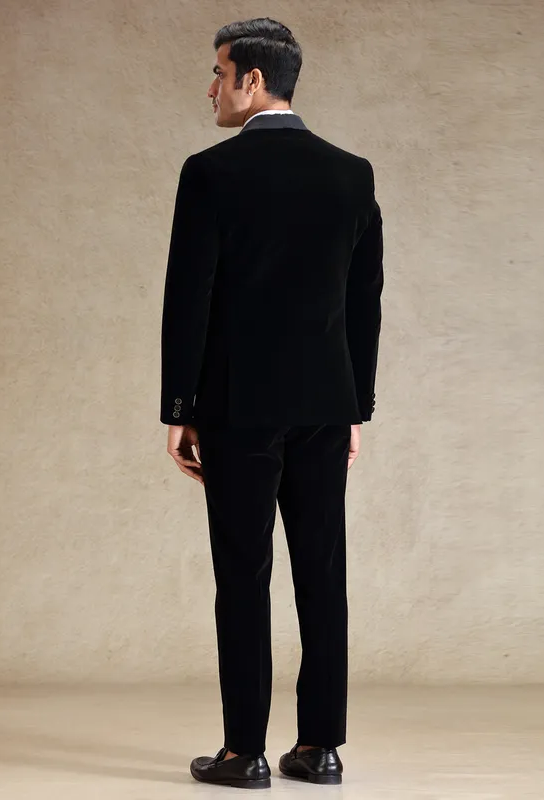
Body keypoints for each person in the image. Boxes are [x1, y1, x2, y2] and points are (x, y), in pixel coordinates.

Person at [160, 17, 384, 790]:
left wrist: (179, 407)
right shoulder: (351, 173)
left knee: (242, 575)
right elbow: (363, 302)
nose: (211, 89)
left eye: (219, 73)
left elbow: (189, 297)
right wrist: (357, 408)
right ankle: (321, 749)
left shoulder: (211, 172)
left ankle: (243, 752)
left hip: (237, 406)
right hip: (326, 403)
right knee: (323, 573)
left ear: (252, 80)